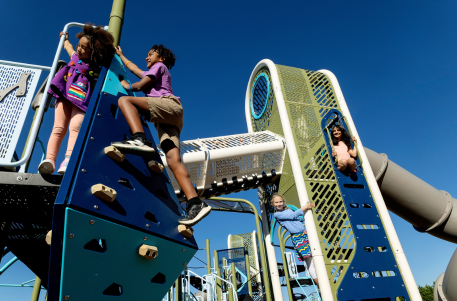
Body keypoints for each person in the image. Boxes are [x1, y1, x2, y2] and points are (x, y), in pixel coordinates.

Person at [110, 44, 211, 226]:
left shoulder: (159, 67)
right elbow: (134, 69)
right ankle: (195, 202)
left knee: (125, 100)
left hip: (167, 105)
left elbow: (140, 85)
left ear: (161, 58)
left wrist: (128, 85)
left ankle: (139, 138)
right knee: (173, 160)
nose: (147, 58)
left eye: (151, 54)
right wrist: (121, 56)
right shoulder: (153, 69)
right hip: (167, 119)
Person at [38, 23, 115, 174]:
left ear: (94, 52)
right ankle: (49, 160)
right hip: (64, 94)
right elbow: (69, 48)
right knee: (58, 127)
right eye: (79, 45)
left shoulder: (95, 69)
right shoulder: (75, 58)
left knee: (76, 127)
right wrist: (65, 39)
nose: (79, 49)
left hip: (82, 100)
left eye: (84, 47)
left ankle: (68, 160)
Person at [271, 193, 319, 288]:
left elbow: (298, 218)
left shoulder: (288, 210)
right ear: (272, 204)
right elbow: (293, 216)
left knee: (316, 257)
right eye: (276, 202)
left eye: (280, 201)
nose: (279, 204)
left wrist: (306, 209)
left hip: (305, 233)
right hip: (298, 237)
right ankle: (319, 283)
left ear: (284, 202)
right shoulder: (277, 214)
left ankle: (325, 278)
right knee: (309, 260)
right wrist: (304, 208)